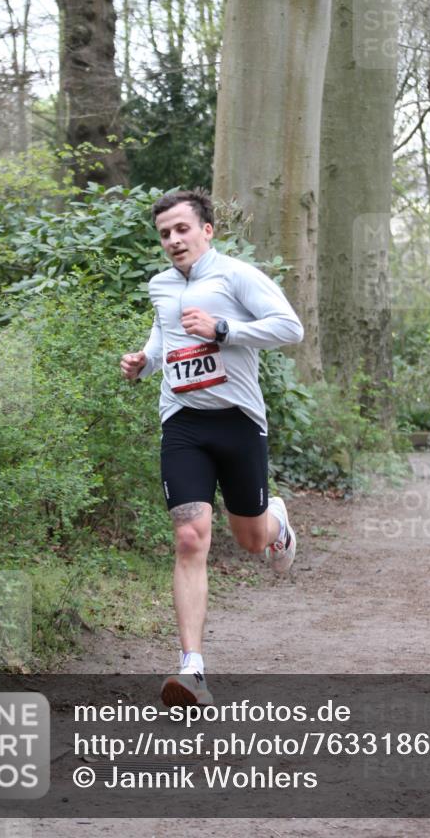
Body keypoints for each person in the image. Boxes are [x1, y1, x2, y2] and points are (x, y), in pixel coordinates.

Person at [120, 189, 304, 707]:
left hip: (238, 422)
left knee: (250, 539)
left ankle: (276, 523)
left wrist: (224, 329)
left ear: (207, 229)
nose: (173, 240)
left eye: (182, 229)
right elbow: (165, 341)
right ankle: (192, 668)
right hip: (183, 423)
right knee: (189, 536)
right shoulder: (161, 285)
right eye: (165, 234)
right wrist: (144, 362)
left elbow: (290, 328)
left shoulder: (236, 275)